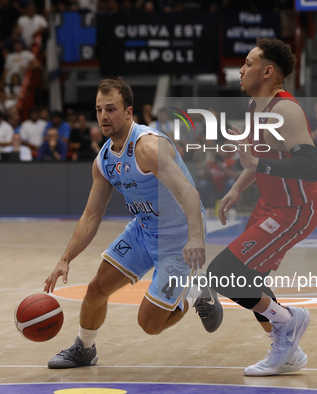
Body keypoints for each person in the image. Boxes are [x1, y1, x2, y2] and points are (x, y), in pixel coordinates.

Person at [43, 77, 222, 369]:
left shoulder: (148, 148)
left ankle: (197, 290)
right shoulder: (103, 160)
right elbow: (91, 215)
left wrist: (195, 238)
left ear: (129, 113)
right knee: (96, 289)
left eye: (111, 109)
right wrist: (65, 259)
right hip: (144, 231)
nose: (103, 116)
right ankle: (85, 348)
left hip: (178, 239)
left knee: (149, 324)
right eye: (99, 109)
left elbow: (189, 193)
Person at [206, 38, 317, 376]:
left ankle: (288, 321)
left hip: (295, 208)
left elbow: (310, 165)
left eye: (248, 63)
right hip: (270, 205)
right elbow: (260, 160)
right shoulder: (254, 107)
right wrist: (237, 187)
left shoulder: (285, 110)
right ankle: (290, 351)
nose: (240, 69)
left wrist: (258, 166)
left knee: (222, 274)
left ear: (268, 71)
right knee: (248, 277)